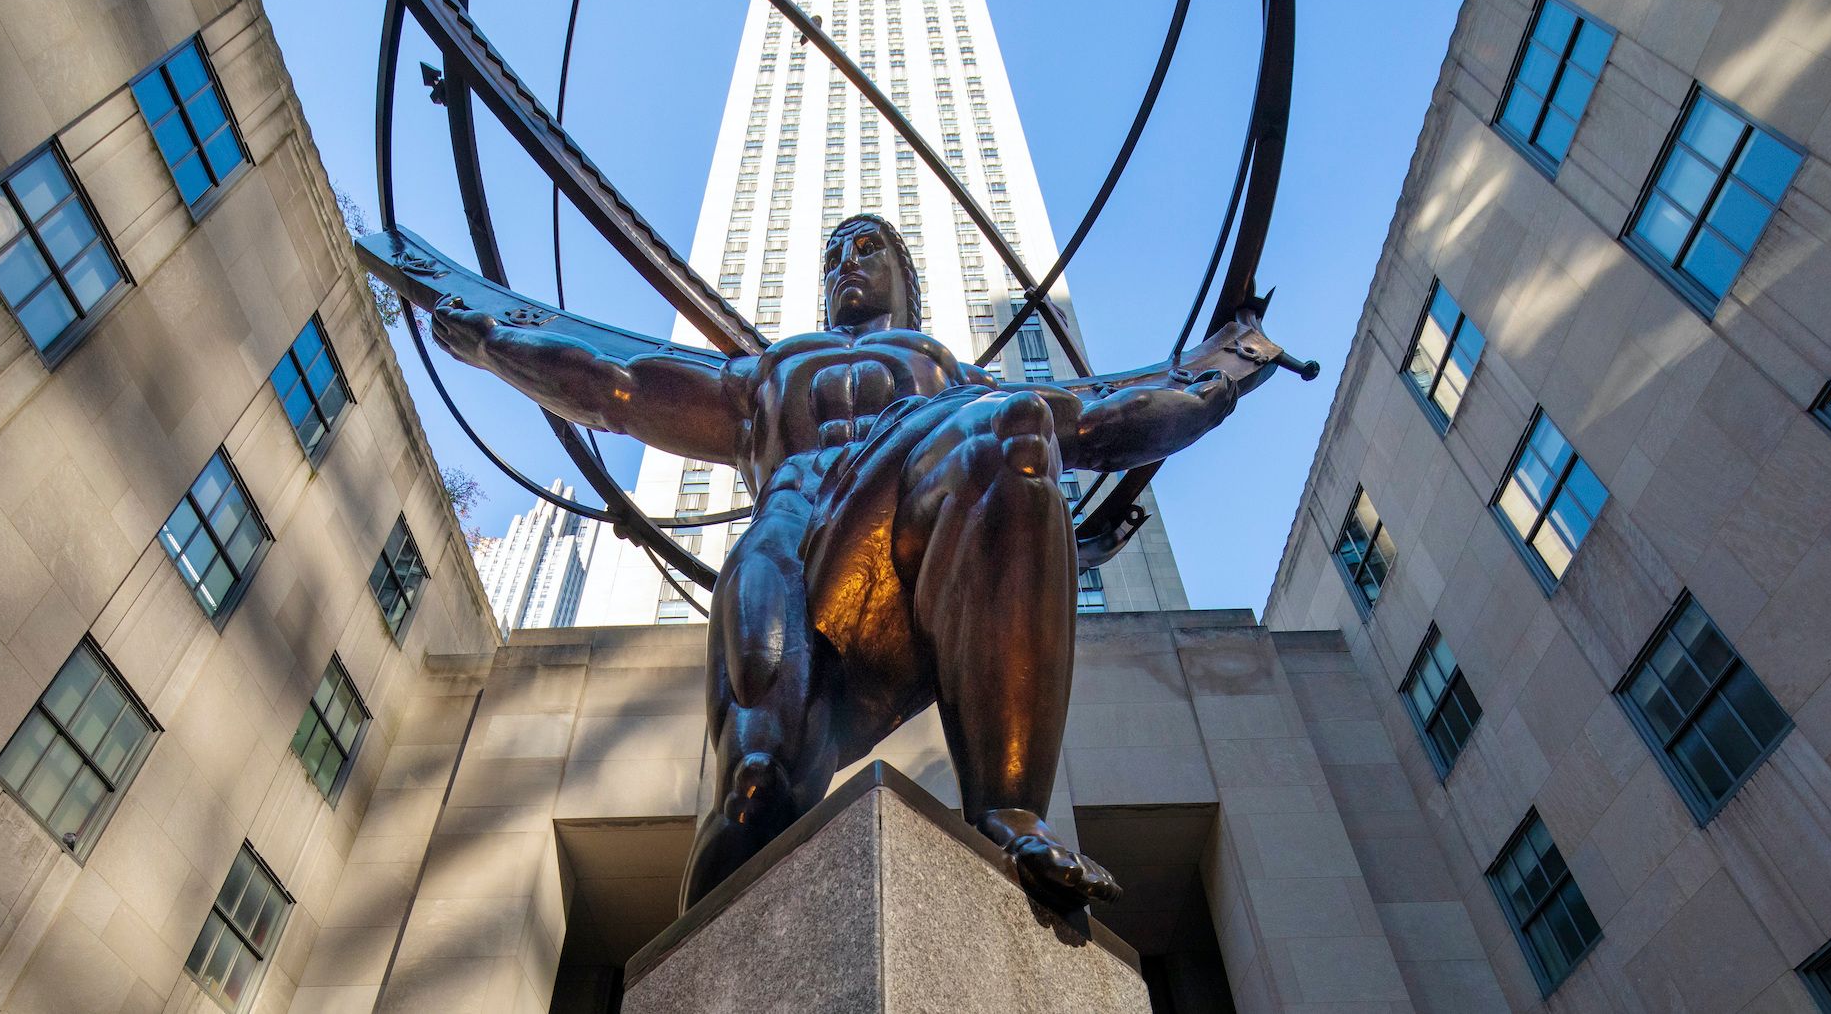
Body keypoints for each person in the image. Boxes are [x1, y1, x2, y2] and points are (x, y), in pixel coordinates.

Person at [430, 213, 1287, 909]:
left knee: (1018, 431)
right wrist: (494, 344)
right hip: (790, 542)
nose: (847, 262)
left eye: (866, 247)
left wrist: (1223, 379)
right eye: (834, 254)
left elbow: (1099, 420)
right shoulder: (770, 373)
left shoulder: (956, 382)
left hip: (901, 509)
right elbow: (617, 387)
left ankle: (1008, 808)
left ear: (905, 277)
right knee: (757, 790)